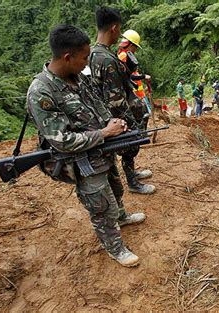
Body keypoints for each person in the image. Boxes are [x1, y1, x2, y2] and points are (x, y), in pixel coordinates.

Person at [27, 24, 145, 267]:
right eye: (83, 58)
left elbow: (96, 102)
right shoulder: (41, 91)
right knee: (101, 206)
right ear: (67, 57)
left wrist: (111, 123)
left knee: (115, 187)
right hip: (80, 161)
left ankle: (121, 217)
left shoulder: (77, 76)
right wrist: (104, 132)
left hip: (101, 148)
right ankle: (115, 247)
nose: (86, 62)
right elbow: (62, 141)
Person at [90, 7, 155, 195]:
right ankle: (133, 183)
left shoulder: (96, 54)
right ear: (114, 28)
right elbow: (115, 100)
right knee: (129, 144)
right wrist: (131, 124)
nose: (119, 34)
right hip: (117, 114)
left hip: (110, 112)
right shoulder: (107, 59)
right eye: (119, 30)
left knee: (129, 144)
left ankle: (132, 173)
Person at [117, 30, 150, 103]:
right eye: (136, 47)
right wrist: (143, 76)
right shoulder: (124, 56)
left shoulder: (123, 55)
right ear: (131, 45)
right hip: (132, 96)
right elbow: (128, 76)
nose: (135, 51)